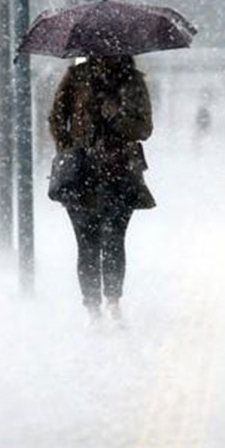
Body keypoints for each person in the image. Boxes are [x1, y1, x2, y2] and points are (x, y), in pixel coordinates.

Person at [48, 55, 155, 328]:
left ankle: (113, 301)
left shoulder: (132, 81)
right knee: (87, 243)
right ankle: (92, 307)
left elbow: (144, 128)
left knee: (114, 240)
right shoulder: (76, 77)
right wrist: (69, 148)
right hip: (81, 174)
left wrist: (117, 117)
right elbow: (56, 117)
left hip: (120, 172)